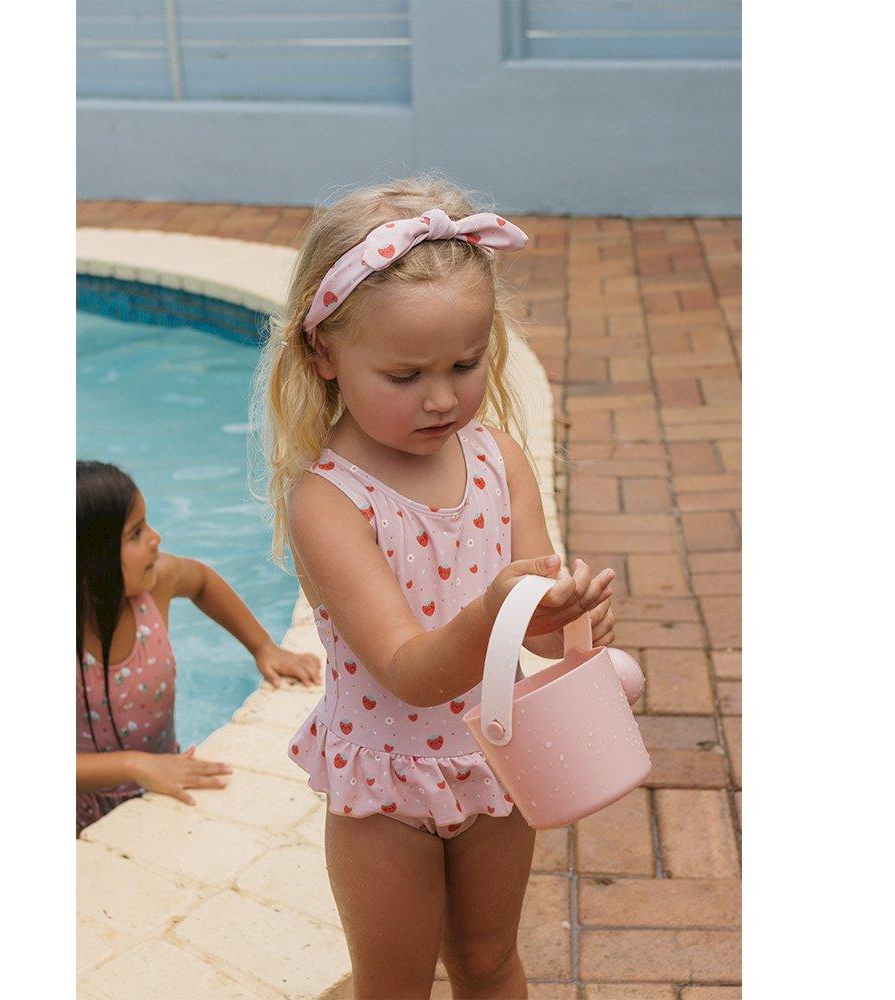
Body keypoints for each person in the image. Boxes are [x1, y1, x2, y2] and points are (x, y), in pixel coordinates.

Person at [253, 176, 618, 998]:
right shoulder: (329, 502)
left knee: (489, 963)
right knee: (395, 985)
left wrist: (570, 617)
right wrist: (495, 610)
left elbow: (537, 633)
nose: (444, 396)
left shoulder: (497, 459)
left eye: (465, 363)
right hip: (384, 788)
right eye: (406, 374)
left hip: (496, 760)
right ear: (323, 355)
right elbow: (407, 669)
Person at [76, 460, 320, 835]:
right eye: (136, 533)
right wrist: (135, 765)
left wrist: (263, 647)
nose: (155, 537)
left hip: (162, 776)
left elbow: (203, 581)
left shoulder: (154, 587)